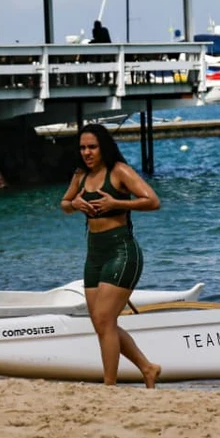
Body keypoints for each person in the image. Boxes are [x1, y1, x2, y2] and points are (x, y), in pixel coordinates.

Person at [59, 124, 162, 388]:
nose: (87, 152)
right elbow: (64, 204)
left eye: (92, 147)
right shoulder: (80, 175)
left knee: (105, 320)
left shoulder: (119, 172)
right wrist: (75, 204)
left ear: (103, 147)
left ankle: (109, 386)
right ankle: (148, 368)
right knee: (101, 323)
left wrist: (117, 204)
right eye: (83, 147)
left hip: (122, 251)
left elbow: (152, 200)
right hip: (94, 254)